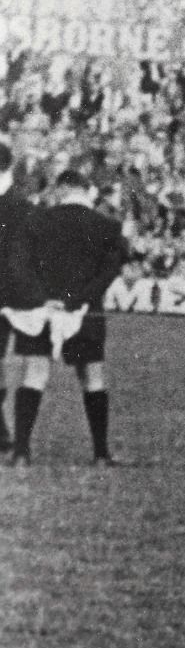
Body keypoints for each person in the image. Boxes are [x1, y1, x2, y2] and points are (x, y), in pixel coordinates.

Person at [6, 167, 127, 466]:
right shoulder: (107, 225)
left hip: (41, 311)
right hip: (86, 311)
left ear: (60, 189)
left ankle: (21, 452)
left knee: (34, 373)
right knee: (92, 376)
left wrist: (42, 299)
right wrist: (77, 300)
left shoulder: (36, 221)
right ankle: (101, 455)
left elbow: (18, 266)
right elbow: (109, 272)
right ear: (85, 190)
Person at [0, 140, 45, 453]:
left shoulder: (22, 207)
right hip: (24, 295)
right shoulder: (27, 207)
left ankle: (6, 435)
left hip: (17, 294)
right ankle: (6, 434)